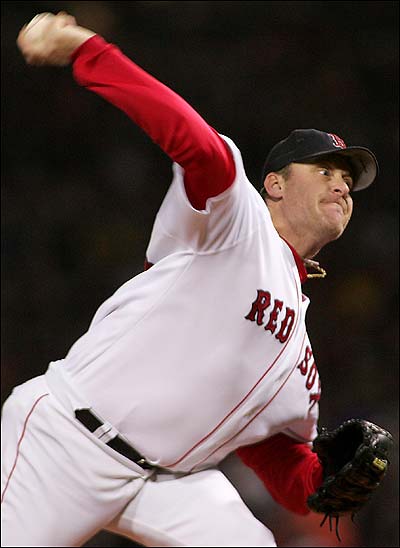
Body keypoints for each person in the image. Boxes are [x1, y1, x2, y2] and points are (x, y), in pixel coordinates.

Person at [1, 11, 386, 548]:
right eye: (325, 171)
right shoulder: (237, 223)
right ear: (274, 185)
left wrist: (325, 482)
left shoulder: (299, 356)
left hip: (165, 483)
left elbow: (276, 456)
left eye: (347, 180)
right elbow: (197, 145)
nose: (342, 186)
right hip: (66, 442)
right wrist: (89, 52)